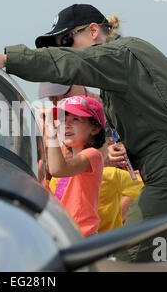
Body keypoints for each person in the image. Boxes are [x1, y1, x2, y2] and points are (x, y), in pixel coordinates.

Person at [0, 3, 167, 269]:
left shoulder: (120, 54)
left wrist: (8, 59)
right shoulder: (132, 66)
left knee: (128, 260)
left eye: (66, 40)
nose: (62, 49)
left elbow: (70, 62)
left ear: (93, 31)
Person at [44, 95, 106, 237]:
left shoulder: (93, 155)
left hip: (84, 240)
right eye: (63, 120)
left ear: (95, 129)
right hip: (66, 237)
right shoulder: (71, 166)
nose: (66, 125)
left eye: (76, 119)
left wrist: (50, 130)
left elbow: (57, 169)